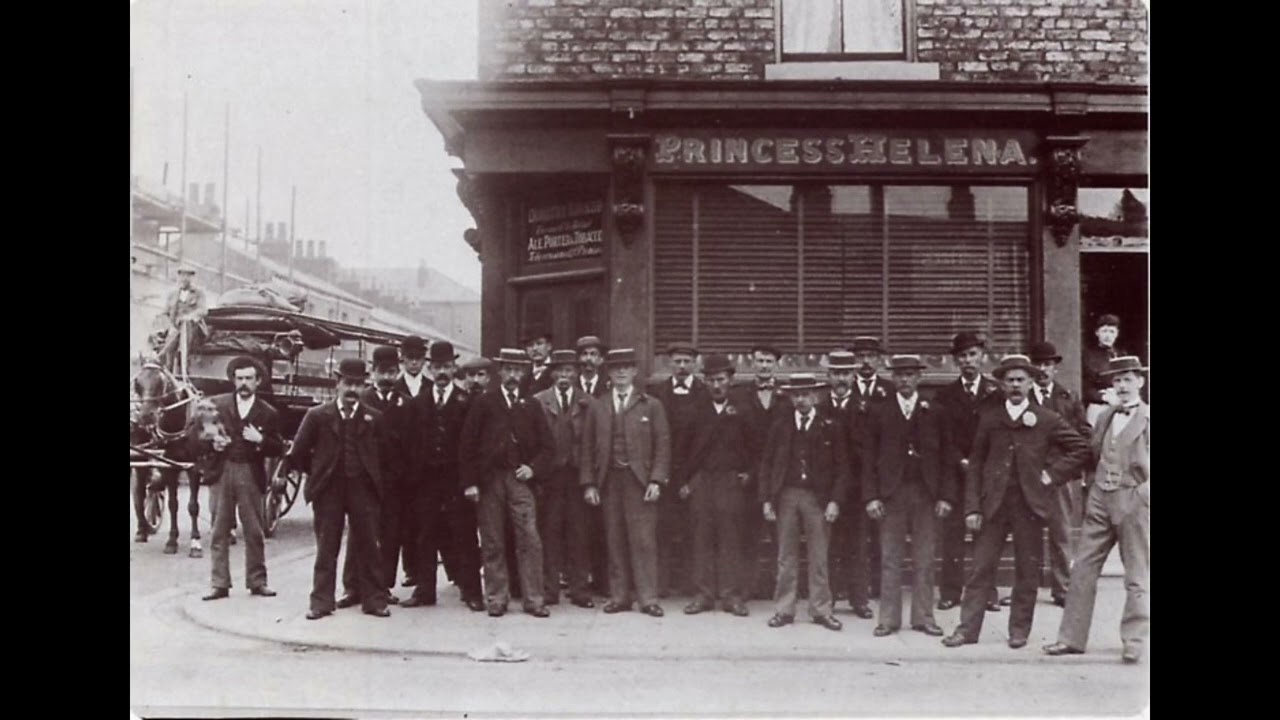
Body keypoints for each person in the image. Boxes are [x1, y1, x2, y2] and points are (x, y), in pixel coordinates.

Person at [942, 355, 1090, 650]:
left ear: (1031, 382)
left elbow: (1081, 448)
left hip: (1029, 507)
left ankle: (1019, 630)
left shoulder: (1046, 418)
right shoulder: (990, 418)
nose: (1015, 386)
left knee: (1027, 570)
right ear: (1001, 384)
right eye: (1010, 380)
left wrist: (1052, 475)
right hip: (992, 506)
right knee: (980, 568)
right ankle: (967, 630)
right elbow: (976, 465)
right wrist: (972, 507)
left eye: (1021, 380)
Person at [1044, 356, 1149, 664]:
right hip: (1100, 500)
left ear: (1140, 382)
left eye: (1128, 379)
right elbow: (1089, 453)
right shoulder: (1104, 416)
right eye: (1117, 381)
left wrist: (1143, 495)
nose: (1123, 386)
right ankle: (1071, 639)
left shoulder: (1147, 418)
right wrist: (1075, 481)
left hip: (1134, 501)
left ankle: (1134, 641)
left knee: (1137, 574)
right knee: (1082, 569)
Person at [287, 359, 397, 620]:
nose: (353, 390)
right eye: (348, 383)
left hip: (363, 489)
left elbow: (387, 456)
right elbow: (298, 454)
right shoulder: (317, 416)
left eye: (358, 385)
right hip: (329, 490)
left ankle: (374, 601)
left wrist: (374, 482)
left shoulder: (374, 418)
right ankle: (321, 602)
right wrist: (318, 474)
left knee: (369, 546)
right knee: (327, 547)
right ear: (338, 383)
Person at [459, 349, 555, 618]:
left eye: (518, 370)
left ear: (524, 372)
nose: (513, 376)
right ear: (499, 372)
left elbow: (548, 447)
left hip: (519, 480)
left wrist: (532, 468)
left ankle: (534, 599)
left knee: (529, 539)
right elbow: (467, 446)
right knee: (492, 541)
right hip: (490, 481)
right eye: (508, 370)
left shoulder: (531, 404)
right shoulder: (485, 403)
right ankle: (496, 598)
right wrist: (471, 483)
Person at [862, 355, 951, 638]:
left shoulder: (935, 411)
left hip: (926, 493)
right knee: (890, 557)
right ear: (892, 378)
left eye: (910, 374)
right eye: (900, 375)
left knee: (925, 558)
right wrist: (872, 497)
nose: (905, 380)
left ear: (919, 378)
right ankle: (888, 619)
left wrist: (945, 496)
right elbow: (868, 459)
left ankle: (924, 617)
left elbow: (947, 458)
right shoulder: (879, 412)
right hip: (892, 494)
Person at [580, 348, 672, 618]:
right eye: (615, 367)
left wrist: (657, 479)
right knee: (614, 538)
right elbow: (587, 448)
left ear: (634, 372)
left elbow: (663, 446)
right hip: (609, 481)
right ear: (608, 372)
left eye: (626, 367)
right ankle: (619, 596)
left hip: (639, 482)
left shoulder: (650, 405)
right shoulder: (598, 405)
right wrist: (589, 484)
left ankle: (647, 598)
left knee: (643, 540)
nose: (621, 372)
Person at [759, 374, 848, 632]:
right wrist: (766, 500)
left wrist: (834, 501)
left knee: (819, 556)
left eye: (806, 394)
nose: (801, 399)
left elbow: (843, 468)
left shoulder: (830, 425)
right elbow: (766, 464)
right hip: (787, 495)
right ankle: (784, 610)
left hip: (817, 498)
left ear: (816, 396)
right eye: (796, 395)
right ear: (790, 398)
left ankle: (821, 609)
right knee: (786, 556)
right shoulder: (780, 425)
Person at [1006, 341, 1089, 608]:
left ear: (1055, 368)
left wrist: (1058, 470)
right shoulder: (1019, 398)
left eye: (1047, 365)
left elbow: (1084, 438)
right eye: (1038, 365)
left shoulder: (1068, 397)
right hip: (1025, 475)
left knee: (1061, 533)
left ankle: (1062, 588)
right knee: (1023, 535)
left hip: (1058, 477)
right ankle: (1022, 588)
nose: (1043, 370)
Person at [403, 341, 485, 612]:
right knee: (425, 534)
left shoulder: (467, 402)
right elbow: (410, 444)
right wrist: (414, 478)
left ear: (454, 369)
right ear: (429, 367)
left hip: (456, 481)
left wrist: (470, 481)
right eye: (436, 367)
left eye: (447, 367)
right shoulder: (418, 403)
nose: (441, 372)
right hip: (426, 481)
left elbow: (473, 446)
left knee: (464, 535)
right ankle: (425, 591)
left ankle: (472, 591)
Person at [199, 356, 282, 602]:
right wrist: (213, 442)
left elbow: (278, 447)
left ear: (258, 381)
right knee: (219, 530)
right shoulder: (217, 404)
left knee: (254, 530)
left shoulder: (268, 412)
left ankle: (257, 582)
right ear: (233, 380)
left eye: (249, 378)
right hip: (222, 471)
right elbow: (199, 436)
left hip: (249, 471)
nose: (244, 383)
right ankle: (219, 584)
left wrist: (261, 440)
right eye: (239, 378)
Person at [337, 346, 412, 609]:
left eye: (392, 372)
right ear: (374, 372)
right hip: (365, 478)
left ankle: (383, 585)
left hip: (393, 479)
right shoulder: (362, 397)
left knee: (390, 534)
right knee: (359, 534)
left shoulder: (404, 402)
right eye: (382, 371)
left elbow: (408, 444)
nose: (387, 377)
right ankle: (352, 587)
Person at [678, 353, 752, 617]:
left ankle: (732, 596)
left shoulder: (744, 409)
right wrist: (686, 481)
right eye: (711, 380)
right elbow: (682, 450)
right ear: (704, 382)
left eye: (721, 380)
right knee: (702, 538)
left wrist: (747, 473)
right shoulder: (694, 410)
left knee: (731, 538)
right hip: (702, 481)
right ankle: (703, 594)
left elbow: (755, 446)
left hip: (731, 481)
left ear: (730, 380)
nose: (716, 385)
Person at [935, 332, 1004, 612]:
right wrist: (961, 461)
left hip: (986, 474)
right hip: (955, 473)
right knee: (952, 534)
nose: (968, 361)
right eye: (963, 356)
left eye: (973, 355)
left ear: (982, 357)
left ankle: (986, 591)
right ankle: (951, 591)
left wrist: (982, 465)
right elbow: (942, 438)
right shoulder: (945, 395)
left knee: (986, 535)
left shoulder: (995, 394)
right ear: (955, 361)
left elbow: (1000, 435)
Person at [533, 349, 595, 608]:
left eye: (569, 371)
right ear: (552, 374)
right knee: (550, 532)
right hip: (551, 478)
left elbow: (594, 442)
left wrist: (590, 479)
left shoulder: (589, 402)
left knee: (579, 534)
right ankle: (549, 590)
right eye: (558, 371)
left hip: (578, 476)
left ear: (576, 373)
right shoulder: (538, 401)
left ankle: (580, 590)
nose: (563, 376)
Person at [733, 342, 792, 600]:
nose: (764, 366)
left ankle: (785, 591)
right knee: (748, 535)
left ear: (776, 364)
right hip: (749, 476)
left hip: (780, 476)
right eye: (760, 361)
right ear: (752, 363)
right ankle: (745, 590)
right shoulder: (739, 395)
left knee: (783, 536)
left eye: (769, 361)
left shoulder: (788, 396)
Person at [819, 349, 875, 620]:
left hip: (855, 489)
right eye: (836, 373)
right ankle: (826, 597)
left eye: (845, 373)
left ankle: (859, 599)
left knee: (857, 544)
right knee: (827, 544)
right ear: (828, 376)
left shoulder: (865, 407)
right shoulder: (820, 407)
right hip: (825, 489)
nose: (841, 379)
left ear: (854, 376)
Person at [648, 341, 707, 597]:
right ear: (668, 364)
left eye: (687, 362)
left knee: (694, 530)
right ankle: (660, 584)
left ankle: (691, 585)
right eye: (677, 362)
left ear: (695, 364)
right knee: (661, 529)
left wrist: (691, 478)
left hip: (693, 474)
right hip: (663, 473)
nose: (682, 367)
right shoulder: (656, 392)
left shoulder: (705, 392)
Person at [394, 336, 429, 587]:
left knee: (424, 519)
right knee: (405, 519)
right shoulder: (394, 388)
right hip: (401, 464)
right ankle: (410, 569)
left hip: (426, 462)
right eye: (410, 359)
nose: (414, 364)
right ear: (403, 360)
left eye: (418, 359)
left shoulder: (431, 386)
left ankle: (422, 568)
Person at [159, 265, 209, 373]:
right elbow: (164, 314)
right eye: (182, 275)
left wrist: (190, 317)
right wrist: (170, 327)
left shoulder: (199, 293)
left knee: (186, 327)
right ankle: (168, 368)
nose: (184, 278)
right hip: (175, 331)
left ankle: (183, 367)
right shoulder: (172, 294)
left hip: (193, 330)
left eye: (188, 276)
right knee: (171, 340)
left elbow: (203, 310)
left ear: (192, 278)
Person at [1082, 314, 1127, 426]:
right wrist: (1103, 397)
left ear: (1117, 334)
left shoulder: (1122, 355)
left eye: (1112, 332)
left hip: (1120, 403)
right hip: (1098, 405)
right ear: (1097, 333)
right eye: (1104, 331)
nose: (1108, 336)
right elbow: (1084, 386)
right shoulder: (1088, 356)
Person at [520, 328, 556, 397]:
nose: (534, 349)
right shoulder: (524, 374)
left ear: (549, 346)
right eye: (530, 345)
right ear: (526, 350)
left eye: (539, 343)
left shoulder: (556, 371)